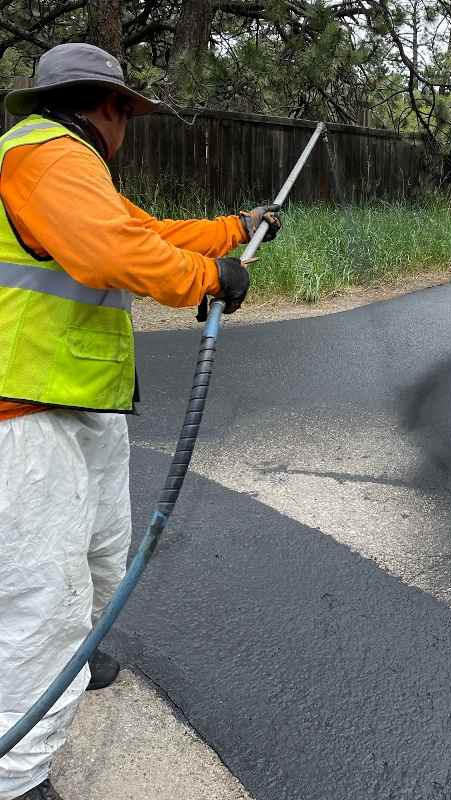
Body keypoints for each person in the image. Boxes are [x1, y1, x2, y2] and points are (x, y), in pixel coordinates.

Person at [0, 43, 281, 800]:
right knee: (42, 595)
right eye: (128, 112)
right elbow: (110, 251)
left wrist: (233, 229)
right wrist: (206, 280)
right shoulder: (47, 154)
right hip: (24, 412)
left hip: (76, 402)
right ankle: (16, 777)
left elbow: (142, 230)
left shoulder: (67, 163)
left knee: (99, 553)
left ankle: (80, 652)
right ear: (111, 108)